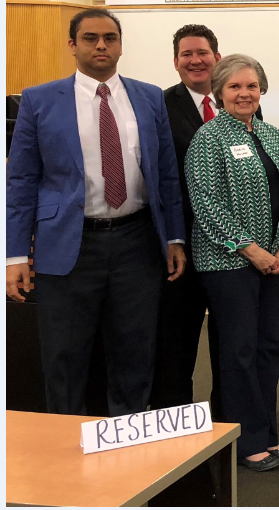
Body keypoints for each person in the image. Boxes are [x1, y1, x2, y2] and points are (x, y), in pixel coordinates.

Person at [6, 9, 186, 417]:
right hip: (69, 246)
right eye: (90, 38)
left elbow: (166, 176)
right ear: (72, 45)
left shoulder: (149, 96)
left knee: (135, 353)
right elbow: (20, 182)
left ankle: (127, 449)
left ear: (121, 44)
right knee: (65, 358)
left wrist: (174, 237)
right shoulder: (39, 99)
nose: (101, 45)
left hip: (138, 243)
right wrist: (15, 255)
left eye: (109, 37)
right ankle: (64, 455)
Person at [185, 54, 279, 471]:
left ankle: (267, 433)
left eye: (251, 86)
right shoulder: (209, 138)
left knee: (268, 349)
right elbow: (206, 202)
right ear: (219, 93)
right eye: (235, 87)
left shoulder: (272, 136)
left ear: (261, 90)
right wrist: (249, 248)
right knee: (238, 352)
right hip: (228, 263)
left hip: (274, 262)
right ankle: (244, 440)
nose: (244, 93)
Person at [155, 24, 235, 411]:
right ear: (175, 62)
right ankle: (178, 426)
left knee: (229, 342)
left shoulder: (237, 101)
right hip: (181, 245)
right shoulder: (159, 106)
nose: (195, 60)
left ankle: (225, 425)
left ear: (216, 58)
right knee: (177, 342)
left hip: (232, 250)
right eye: (186, 54)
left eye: (201, 52)